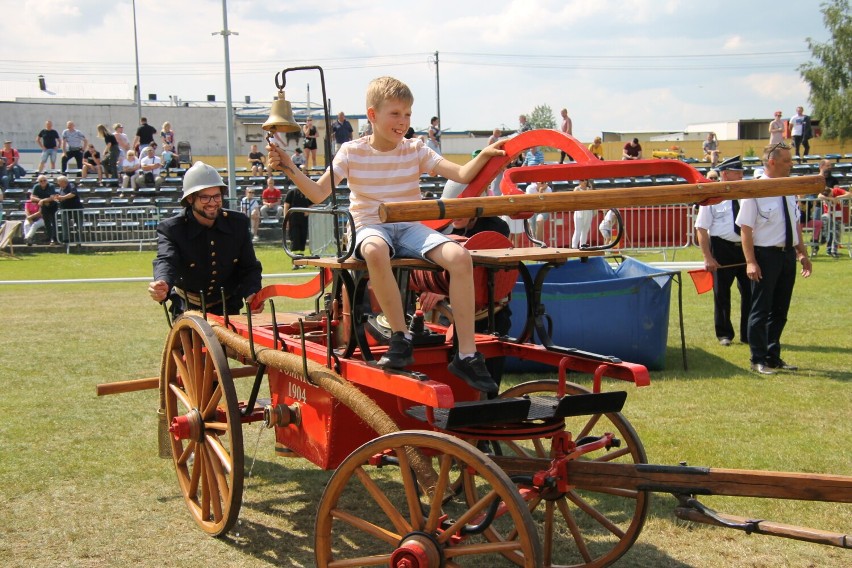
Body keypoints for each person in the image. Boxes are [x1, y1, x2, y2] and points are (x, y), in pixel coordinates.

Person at [267, 76, 507, 394]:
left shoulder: (415, 149)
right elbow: (317, 194)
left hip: (408, 225)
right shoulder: (351, 152)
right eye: (395, 114)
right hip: (368, 226)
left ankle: (465, 354)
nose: (403, 122)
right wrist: (288, 167)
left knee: (460, 257)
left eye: (407, 114)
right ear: (372, 115)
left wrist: (485, 155)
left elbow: (461, 174)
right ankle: (400, 336)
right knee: (376, 250)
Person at [149, 161, 263, 317]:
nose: (212, 203)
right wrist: (162, 283)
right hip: (187, 309)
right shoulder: (172, 229)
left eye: (216, 196)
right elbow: (167, 260)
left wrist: (252, 292)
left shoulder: (238, 223)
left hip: (229, 308)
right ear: (190, 199)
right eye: (204, 198)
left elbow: (249, 267)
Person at [736, 142, 812, 375]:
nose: (791, 165)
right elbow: (745, 229)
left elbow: (794, 223)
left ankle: (772, 355)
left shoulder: (789, 189)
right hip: (765, 255)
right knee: (761, 308)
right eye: (787, 161)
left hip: (786, 255)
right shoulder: (754, 191)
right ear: (772, 162)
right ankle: (757, 358)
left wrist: (802, 253)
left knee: (780, 309)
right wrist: (750, 261)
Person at [694, 156, 751, 346]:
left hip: (745, 248)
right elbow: (701, 228)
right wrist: (707, 256)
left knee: (750, 292)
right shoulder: (712, 196)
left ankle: (748, 333)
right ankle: (724, 334)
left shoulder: (747, 194)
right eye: (738, 173)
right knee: (721, 293)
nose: (742, 176)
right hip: (721, 247)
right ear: (725, 174)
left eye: (742, 173)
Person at [817, 160, 848, 258]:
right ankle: (827, 248)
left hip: (837, 214)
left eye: (831, 194)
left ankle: (834, 250)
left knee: (836, 232)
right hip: (828, 214)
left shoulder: (836, 190)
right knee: (829, 230)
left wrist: (837, 198)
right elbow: (819, 196)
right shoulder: (824, 194)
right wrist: (829, 198)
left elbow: (848, 194)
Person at [283, 184, 311, 256]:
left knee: (302, 238)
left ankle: (301, 259)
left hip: (304, 219)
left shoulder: (307, 193)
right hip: (293, 219)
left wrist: (308, 210)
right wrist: (286, 220)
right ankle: (295, 260)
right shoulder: (291, 193)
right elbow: (286, 206)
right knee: (295, 239)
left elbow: (314, 202)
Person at [54, 175, 84, 244]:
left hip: (76, 209)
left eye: (59, 182)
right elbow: (60, 197)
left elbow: (73, 194)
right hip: (65, 209)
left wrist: (63, 197)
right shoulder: (60, 189)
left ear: (63, 181)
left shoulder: (71, 185)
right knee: (64, 223)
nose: (58, 183)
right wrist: (58, 198)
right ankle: (66, 239)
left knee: (79, 224)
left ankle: (79, 240)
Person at [30, 175, 58, 244]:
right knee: (47, 222)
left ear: (47, 180)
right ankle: (49, 237)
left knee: (54, 222)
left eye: (44, 180)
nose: (43, 182)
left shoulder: (51, 186)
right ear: (38, 182)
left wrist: (42, 200)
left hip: (52, 206)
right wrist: (42, 200)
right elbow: (32, 198)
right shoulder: (36, 187)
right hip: (44, 206)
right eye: (41, 181)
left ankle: (54, 238)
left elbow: (52, 197)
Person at [571, 180, 595, 248]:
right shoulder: (577, 189)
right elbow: (574, 199)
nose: (584, 182)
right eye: (582, 180)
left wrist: (590, 187)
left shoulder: (589, 189)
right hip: (579, 211)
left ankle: (582, 246)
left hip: (588, 211)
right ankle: (574, 247)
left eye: (585, 180)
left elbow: (591, 198)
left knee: (585, 230)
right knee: (578, 230)